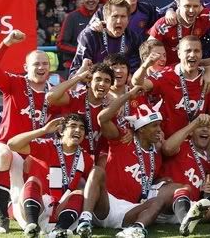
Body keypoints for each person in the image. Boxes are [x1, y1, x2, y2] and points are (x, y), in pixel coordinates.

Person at [0, 30, 60, 234]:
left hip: (31, 153)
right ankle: (2, 218)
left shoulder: (54, 94)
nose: (41, 67)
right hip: (2, 146)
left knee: (27, 201)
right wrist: (6, 43)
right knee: (6, 155)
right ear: (26, 68)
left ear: (50, 68)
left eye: (45, 64)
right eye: (36, 64)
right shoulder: (14, 82)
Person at [76, 90, 181, 238]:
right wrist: (128, 95)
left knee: (158, 201)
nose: (160, 130)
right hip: (106, 203)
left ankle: (136, 229)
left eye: (160, 126)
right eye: (155, 126)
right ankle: (85, 220)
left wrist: (158, 181)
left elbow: (143, 181)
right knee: (97, 171)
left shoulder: (155, 155)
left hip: (129, 211)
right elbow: (102, 118)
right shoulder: (123, 138)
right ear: (142, 129)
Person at [7, 114, 93, 238]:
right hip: (38, 206)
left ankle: (59, 230)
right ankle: (32, 226)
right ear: (61, 131)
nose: (78, 130)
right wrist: (43, 130)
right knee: (32, 181)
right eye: (73, 126)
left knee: (79, 193)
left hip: (62, 209)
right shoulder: (47, 146)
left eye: (82, 128)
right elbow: (12, 144)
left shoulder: (85, 158)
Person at [132, 35, 210, 143]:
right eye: (188, 51)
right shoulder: (166, 75)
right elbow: (137, 83)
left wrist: (208, 149)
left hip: (195, 148)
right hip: (167, 144)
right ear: (179, 54)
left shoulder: (208, 80)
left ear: (201, 54)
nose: (192, 54)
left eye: (196, 51)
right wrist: (145, 65)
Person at [46, 62, 115, 158]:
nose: (102, 84)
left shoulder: (110, 106)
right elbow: (50, 96)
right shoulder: (76, 97)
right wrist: (78, 77)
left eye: (107, 81)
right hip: (67, 158)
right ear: (89, 82)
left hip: (95, 159)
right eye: (98, 79)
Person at [70, 0, 142, 76]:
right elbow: (75, 74)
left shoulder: (133, 38)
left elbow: (134, 71)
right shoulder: (90, 36)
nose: (119, 21)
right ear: (106, 18)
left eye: (123, 16)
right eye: (115, 16)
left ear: (128, 19)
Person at [148, 0, 210, 66]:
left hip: (194, 69)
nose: (191, 10)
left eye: (195, 6)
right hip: (168, 72)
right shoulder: (164, 24)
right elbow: (148, 52)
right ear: (178, 4)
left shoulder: (206, 17)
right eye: (187, 6)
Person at [57, 0, 100, 69]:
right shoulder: (72, 17)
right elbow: (60, 43)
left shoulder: (104, 16)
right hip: (74, 67)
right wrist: (82, 51)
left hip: (98, 68)